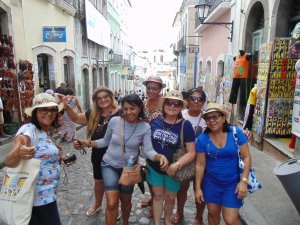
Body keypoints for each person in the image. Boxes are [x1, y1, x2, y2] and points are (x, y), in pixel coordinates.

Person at [74, 93, 169, 225]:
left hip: (128, 169)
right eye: (125, 109)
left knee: (125, 201)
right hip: (109, 165)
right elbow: (104, 141)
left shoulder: (145, 127)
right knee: (112, 203)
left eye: (132, 108)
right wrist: (86, 143)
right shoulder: (114, 121)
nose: (128, 112)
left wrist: (159, 156)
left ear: (139, 108)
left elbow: (148, 150)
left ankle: (125, 222)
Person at [5, 93, 68, 225]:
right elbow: (10, 160)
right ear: (35, 112)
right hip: (36, 199)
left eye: (52, 109)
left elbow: (43, 157)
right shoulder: (28, 129)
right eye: (43, 109)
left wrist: (60, 160)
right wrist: (18, 152)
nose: (49, 113)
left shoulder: (44, 132)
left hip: (47, 196)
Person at [63, 86, 119, 216]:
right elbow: (76, 118)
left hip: (116, 155)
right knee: (98, 182)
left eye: (105, 96)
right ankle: (98, 204)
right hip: (98, 154)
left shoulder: (120, 112)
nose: (103, 100)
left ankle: (116, 207)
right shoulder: (92, 113)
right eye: (99, 98)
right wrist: (66, 107)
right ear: (95, 101)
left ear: (111, 97)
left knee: (116, 183)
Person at [195, 103, 251, 225]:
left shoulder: (236, 133)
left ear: (224, 118)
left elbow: (247, 158)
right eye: (208, 118)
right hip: (211, 184)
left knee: (231, 220)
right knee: (212, 214)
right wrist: (198, 188)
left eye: (215, 117)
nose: (211, 121)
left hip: (232, 184)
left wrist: (244, 181)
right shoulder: (202, 139)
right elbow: (200, 165)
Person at [147, 90, 196, 225]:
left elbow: (191, 152)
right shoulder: (155, 121)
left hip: (173, 170)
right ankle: (157, 222)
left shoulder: (186, 125)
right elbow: (146, 143)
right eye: (169, 102)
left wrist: (176, 165)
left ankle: (167, 220)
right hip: (154, 166)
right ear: (163, 104)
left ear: (181, 107)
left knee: (170, 197)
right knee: (157, 196)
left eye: (177, 104)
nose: (172, 106)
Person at [170, 88, 207, 225]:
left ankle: (199, 217)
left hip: (202, 159)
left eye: (200, 99)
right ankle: (179, 212)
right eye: (193, 98)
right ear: (188, 100)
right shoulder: (181, 115)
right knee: (182, 188)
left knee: (201, 188)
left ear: (203, 102)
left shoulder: (207, 117)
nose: (196, 102)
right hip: (184, 158)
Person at [140, 75, 166, 216]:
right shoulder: (144, 103)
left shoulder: (166, 103)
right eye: (149, 88)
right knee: (148, 174)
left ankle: (158, 202)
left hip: (161, 144)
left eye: (154, 88)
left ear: (160, 89)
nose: (151, 91)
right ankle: (152, 198)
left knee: (161, 175)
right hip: (145, 144)